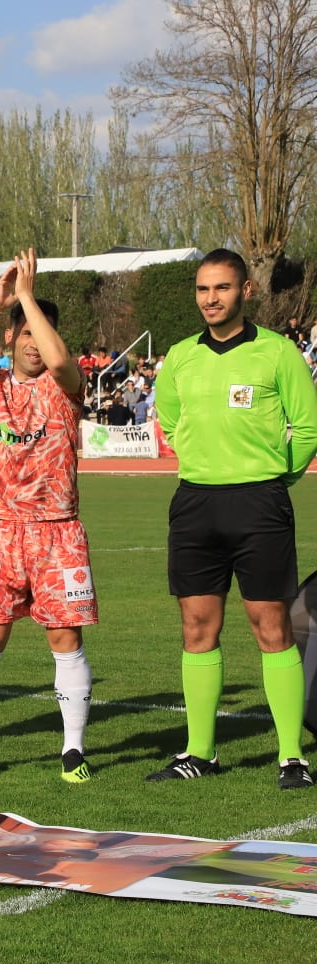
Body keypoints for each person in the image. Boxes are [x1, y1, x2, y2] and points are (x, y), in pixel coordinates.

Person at [149, 248, 317, 789]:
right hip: (196, 503)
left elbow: (308, 430)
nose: (210, 299)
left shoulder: (279, 353)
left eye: (221, 288)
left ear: (246, 291)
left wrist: (271, 482)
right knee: (197, 627)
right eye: (202, 289)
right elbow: (171, 426)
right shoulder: (178, 358)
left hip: (260, 504)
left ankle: (291, 757)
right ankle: (200, 753)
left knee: (271, 626)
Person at [0, 249, 97, 783]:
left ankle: (73, 750)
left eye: (41, 330)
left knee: (66, 640)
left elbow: (58, 362)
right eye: (24, 331)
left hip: (59, 533)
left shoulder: (65, 385)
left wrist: (29, 298)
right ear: (10, 339)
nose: (33, 340)